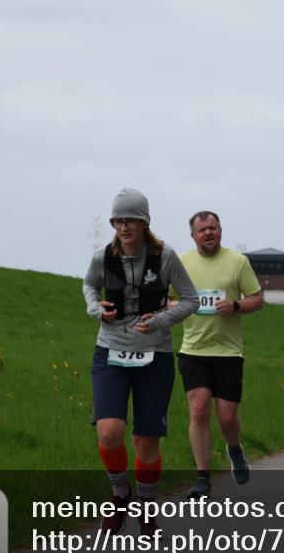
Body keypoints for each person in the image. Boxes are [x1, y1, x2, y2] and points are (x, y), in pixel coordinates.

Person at [83, 188, 199, 535]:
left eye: (131, 220)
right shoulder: (103, 257)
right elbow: (89, 287)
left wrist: (161, 320)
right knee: (109, 432)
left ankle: (147, 506)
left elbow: (190, 300)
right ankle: (120, 494)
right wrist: (96, 309)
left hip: (154, 355)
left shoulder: (165, 257)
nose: (124, 226)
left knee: (146, 441)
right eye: (118, 220)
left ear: (144, 222)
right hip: (110, 351)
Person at [177, 211, 264, 498]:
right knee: (199, 409)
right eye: (202, 230)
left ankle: (234, 449)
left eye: (212, 228)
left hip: (228, 351)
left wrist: (236, 306)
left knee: (227, 417)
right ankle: (202, 478)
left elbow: (257, 299)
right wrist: (175, 305)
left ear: (220, 231)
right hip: (193, 349)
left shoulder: (238, 262)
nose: (208, 233)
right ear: (193, 235)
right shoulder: (182, 263)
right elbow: (167, 298)